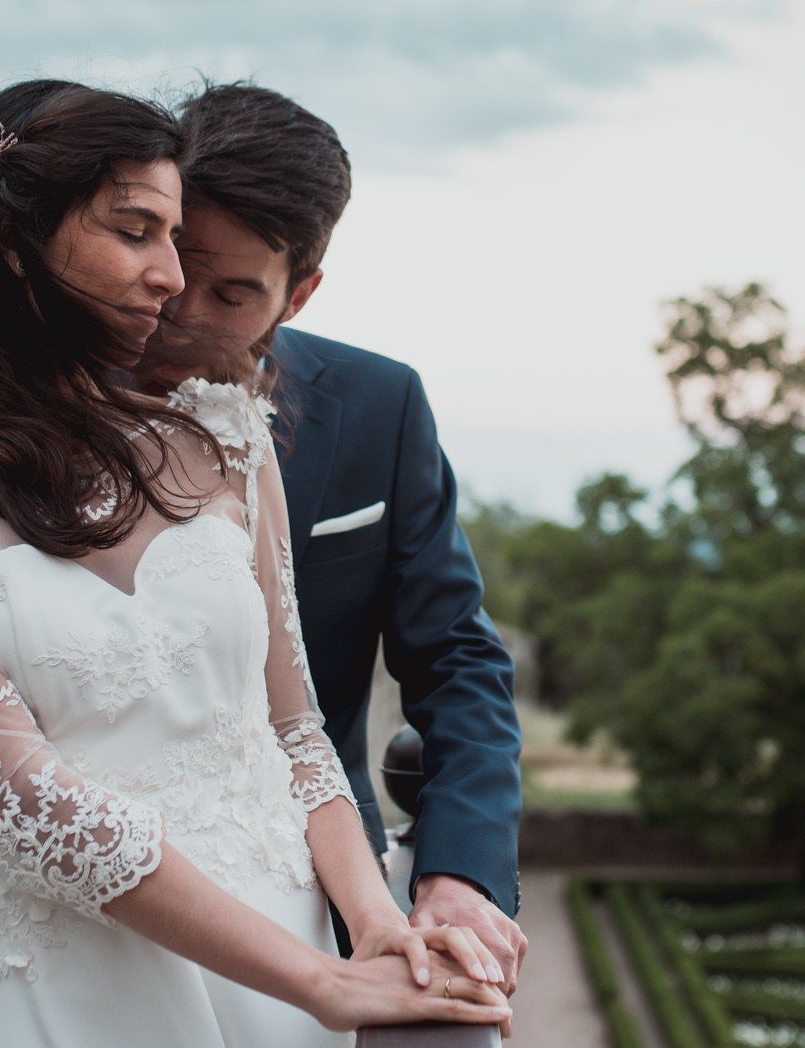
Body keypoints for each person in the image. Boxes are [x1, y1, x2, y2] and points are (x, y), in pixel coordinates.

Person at [0, 80, 510, 1048]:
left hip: (291, 927)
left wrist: (379, 922)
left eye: (199, 261)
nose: (170, 283)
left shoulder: (229, 436)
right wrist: (326, 982)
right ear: (12, 244)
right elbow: (25, 796)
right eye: (139, 233)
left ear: (296, 295)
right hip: (75, 980)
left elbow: (303, 728)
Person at [134, 83, 528, 990]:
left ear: (298, 293)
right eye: (175, 263)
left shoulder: (382, 407)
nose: (180, 311)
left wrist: (459, 874)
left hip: (326, 889)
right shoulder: (24, 405)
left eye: (233, 292)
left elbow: (458, 657)